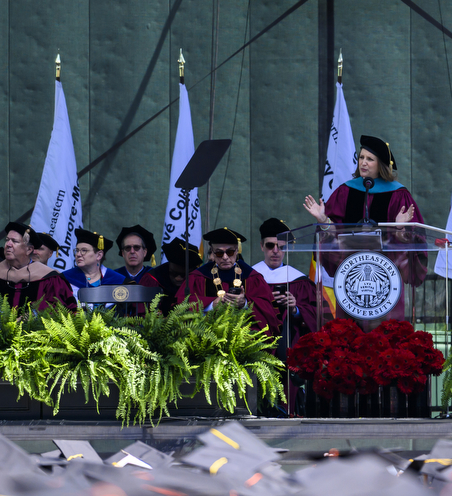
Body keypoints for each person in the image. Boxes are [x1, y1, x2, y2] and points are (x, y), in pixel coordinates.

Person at [303, 135, 428, 312]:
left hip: (386, 279)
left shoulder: (398, 195)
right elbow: (333, 235)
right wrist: (323, 221)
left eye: (370, 159)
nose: (363, 162)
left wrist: (398, 227)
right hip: (350, 277)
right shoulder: (346, 191)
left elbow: (415, 242)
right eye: (361, 157)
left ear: (381, 165)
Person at [175, 228, 277, 332]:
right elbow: (181, 306)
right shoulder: (198, 277)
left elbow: (269, 311)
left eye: (230, 252)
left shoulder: (252, 277)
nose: (225, 257)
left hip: (245, 339)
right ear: (213, 253)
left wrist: (245, 303)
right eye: (219, 253)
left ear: (237, 251)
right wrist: (211, 305)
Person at [0, 223, 78, 314]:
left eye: (14, 241)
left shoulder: (50, 278)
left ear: (29, 250)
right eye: (7, 240)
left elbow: (58, 309)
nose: (8, 244)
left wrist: (30, 318)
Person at [253, 219, 318, 347]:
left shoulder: (299, 281)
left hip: (289, 343)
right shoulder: (250, 278)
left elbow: (315, 313)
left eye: (281, 247)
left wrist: (295, 309)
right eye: (270, 245)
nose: (276, 251)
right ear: (262, 246)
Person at [61, 228, 127, 310]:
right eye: (77, 250)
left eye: (84, 250)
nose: (78, 254)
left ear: (99, 255)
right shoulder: (64, 279)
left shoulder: (118, 281)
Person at [150, 237, 202, 309]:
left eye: (183, 275)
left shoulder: (199, 281)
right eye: (173, 274)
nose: (178, 278)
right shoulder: (154, 278)